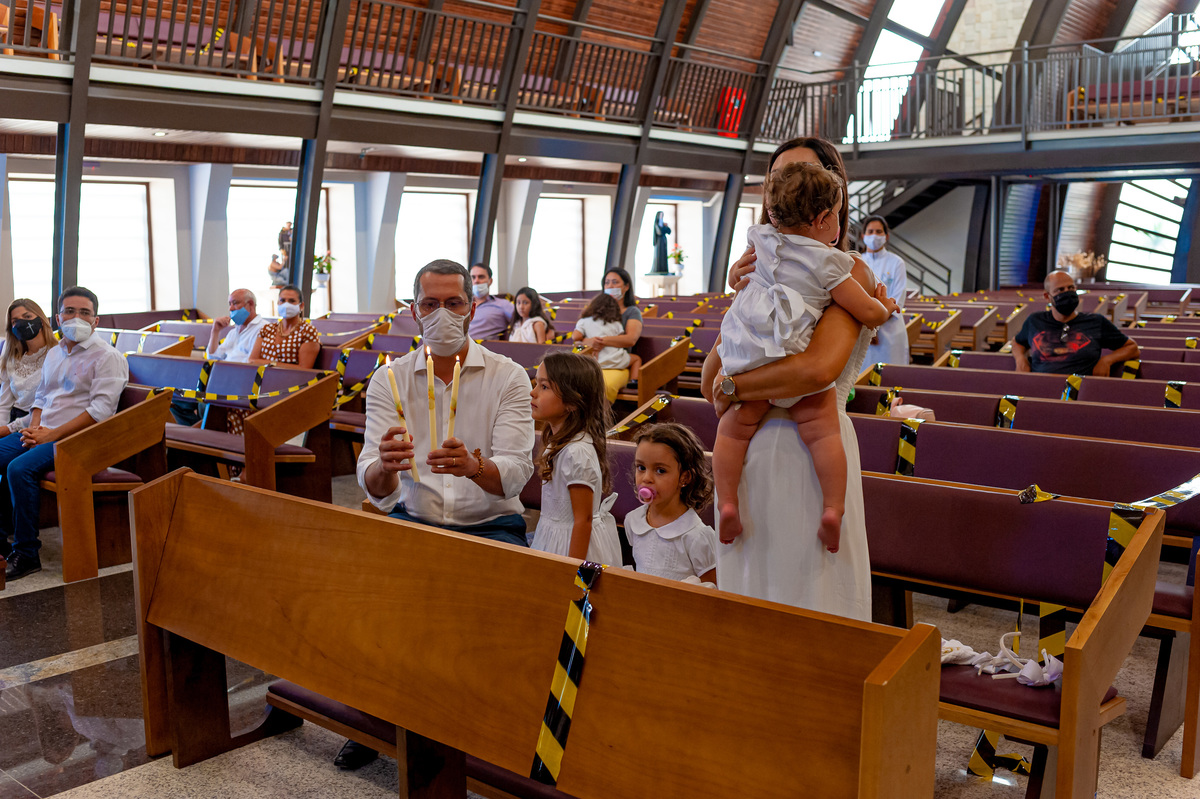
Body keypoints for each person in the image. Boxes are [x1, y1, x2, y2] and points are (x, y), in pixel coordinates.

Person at [343, 259, 535, 771]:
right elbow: (373, 481)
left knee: (493, 628)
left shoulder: (508, 377)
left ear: (471, 308)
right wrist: (385, 468)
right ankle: (377, 721)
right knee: (371, 609)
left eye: (453, 303)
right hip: (416, 522)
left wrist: (475, 466)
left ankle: (490, 729)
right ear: (414, 311)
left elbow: (517, 472)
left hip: (491, 526)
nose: (442, 314)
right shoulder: (389, 380)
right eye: (430, 304)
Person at [703, 136, 876, 622]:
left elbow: (815, 370)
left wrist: (735, 388)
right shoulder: (760, 272)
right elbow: (708, 377)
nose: (789, 183)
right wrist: (745, 301)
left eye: (801, 172)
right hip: (748, 455)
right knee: (750, 590)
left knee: (810, 596)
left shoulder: (849, 272)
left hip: (811, 454)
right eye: (778, 177)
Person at [714, 161, 898, 551]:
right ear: (823, 219)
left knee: (730, 432)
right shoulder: (829, 262)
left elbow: (814, 369)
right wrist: (885, 307)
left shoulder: (760, 241)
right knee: (822, 430)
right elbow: (867, 312)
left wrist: (734, 278)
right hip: (791, 357)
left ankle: (726, 503)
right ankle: (832, 508)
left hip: (750, 359)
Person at [0, 287, 128, 579]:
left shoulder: (107, 356)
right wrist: (35, 427)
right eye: (69, 311)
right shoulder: (56, 353)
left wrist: (51, 435)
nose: (76, 317)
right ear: (58, 318)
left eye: (84, 312)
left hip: (77, 439)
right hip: (44, 430)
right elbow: (42, 397)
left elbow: (100, 412)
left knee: (19, 469)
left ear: (95, 320)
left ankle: (26, 552)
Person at [529, 352, 621, 563]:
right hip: (553, 536)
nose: (532, 392)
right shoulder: (559, 443)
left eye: (544, 387)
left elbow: (583, 521)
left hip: (572, 547)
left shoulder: (576, 452)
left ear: (572, 402)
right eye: (536, 384)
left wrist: (572, 571)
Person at [626, 422, 718, 585]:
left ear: (684, 478)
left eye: (660, 470)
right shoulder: (633, 521)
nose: (646, 478)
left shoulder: (697, 537)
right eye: (641, 467)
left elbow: (711, 589)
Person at [228, 285, 319, 437]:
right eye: (282, 300)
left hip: (289, 388)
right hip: (262, 386)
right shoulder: (267, 329)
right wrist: (271, 365)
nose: (286, 304)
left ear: (301, 306)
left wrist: (271, 364)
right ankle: (238, 448)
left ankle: (250, 446)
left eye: (292, 301)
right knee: (226, 406)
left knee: (236, 407)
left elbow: (304, 370)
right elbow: (252, 360)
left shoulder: (308, 331)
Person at [1012, 269, 1138, 375]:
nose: (1067, 293)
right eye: (1060, 290)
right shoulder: (1035, 321)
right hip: (1039, 388)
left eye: (1071, 288)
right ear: (1047, 297)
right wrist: (1020, 359)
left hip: (1080, 390)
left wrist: (1107, 360)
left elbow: (1132, 348)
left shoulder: (1095, 322)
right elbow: (1017, 342)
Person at [582, 268, 644, 402]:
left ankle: (599, 415)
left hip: (618, 362)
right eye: (607, 282)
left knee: (602, 388)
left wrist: (600, 340)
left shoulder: (632, 312)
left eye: (615, 282)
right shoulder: (595, 311)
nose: (610, 286)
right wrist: (589, 341)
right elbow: (580, 338)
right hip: (593, 361)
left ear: (626, 287)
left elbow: (631, 339)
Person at [860, 215, 910, 367]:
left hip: (889, 332)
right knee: (861, 374)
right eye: (870, 231)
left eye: (878, 231)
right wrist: (868, 329)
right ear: (863, 235)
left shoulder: (896, 263)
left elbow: (897, 301)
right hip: (861, 331)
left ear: (886, 236)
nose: (874, 235)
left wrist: (874, 328)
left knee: (891, 374)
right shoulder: (857, 262)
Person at [0, 299, 54, 434]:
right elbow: (4, 405)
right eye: (15, 321)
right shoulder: (12, 356)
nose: (22, 323)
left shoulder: (56, 354)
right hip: (12, 419)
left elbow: (49, 405)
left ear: (41, 320)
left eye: (27, 317)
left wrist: (8, 429)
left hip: (40, 423)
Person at [571, 293, 641, 388]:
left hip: (594, 361)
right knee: (637, 359)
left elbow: (575, 337)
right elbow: (620, 340)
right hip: (615, 359)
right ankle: (633, 381)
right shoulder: (616, 323)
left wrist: (586, 340)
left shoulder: (583, 321)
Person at [207, 289, 268, 362]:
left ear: (250, 304)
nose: (231, 308)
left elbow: (252, 363)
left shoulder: (263, 328)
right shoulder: (233, 332)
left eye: (235, 303)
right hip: (225, 368)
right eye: (230, 304)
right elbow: (212, 358)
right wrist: (215, 331)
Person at [466, 263, 514, 340]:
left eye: (481, 277)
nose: (476, 281)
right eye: (473, 277)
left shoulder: (502, 304)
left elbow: (523, 320)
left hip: (482, 346)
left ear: (490, 281)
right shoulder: (463, 304)